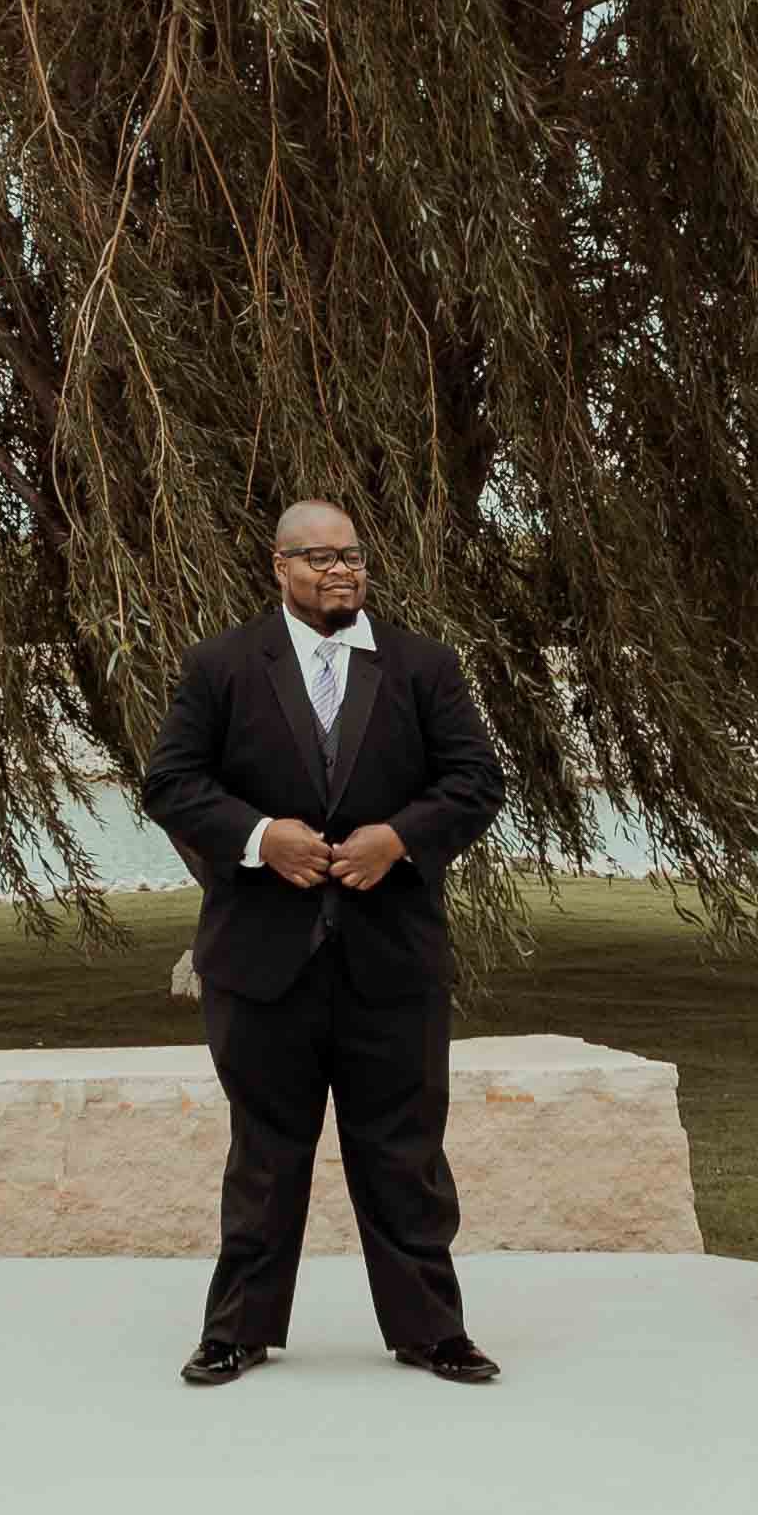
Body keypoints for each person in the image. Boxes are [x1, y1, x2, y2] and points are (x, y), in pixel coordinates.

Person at [133, 496, 509, 1386]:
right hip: (262, 963)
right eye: (319, 557)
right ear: (280, 567)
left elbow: (476, 780)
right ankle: (237, 1329)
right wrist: (265, 839)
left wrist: (401, 838)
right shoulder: (221, 665)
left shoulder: (423, 666)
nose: (340, 571)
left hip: (393, 959)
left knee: (406, 1155)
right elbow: (173, 783)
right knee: (263, 1156)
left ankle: (432, 1331)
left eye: (352, 556)